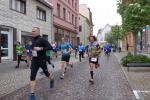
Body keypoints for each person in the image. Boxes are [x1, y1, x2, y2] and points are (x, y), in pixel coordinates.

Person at [28, 27, 54, 100]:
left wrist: (41, 48)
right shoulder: (33, 39)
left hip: (42, 61)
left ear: (38, 32)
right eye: (32, 31)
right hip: (34, 61)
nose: (32, 32)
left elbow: (50, 47)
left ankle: (52, 79)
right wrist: (30, 54)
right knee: (32, 76)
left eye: (34, 31)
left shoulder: (42, 39)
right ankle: (32, 95)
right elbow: (33, 49)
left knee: (47, 74)